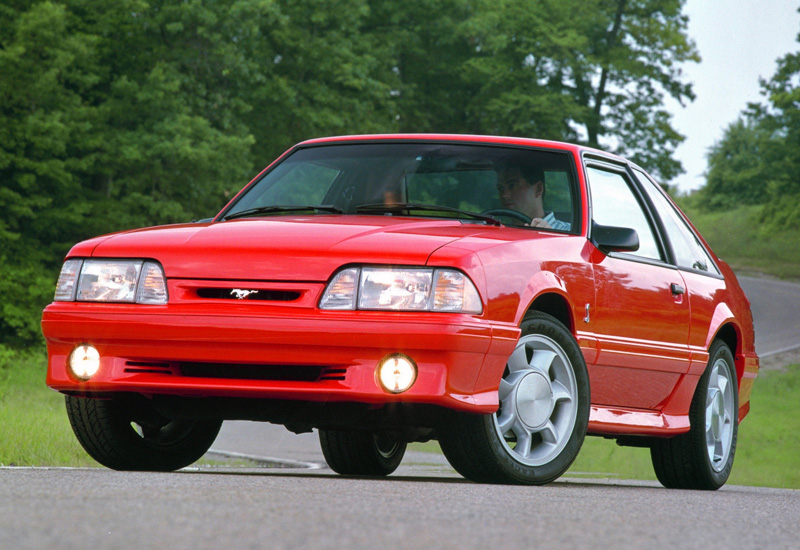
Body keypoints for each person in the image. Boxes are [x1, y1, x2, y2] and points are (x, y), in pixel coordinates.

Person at [495, 164, 570, 230]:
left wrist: (551, 240)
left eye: (512, 185)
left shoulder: (568, 233)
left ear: (538, 189)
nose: (504, 195)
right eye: (500, 188)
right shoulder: (498, 232)